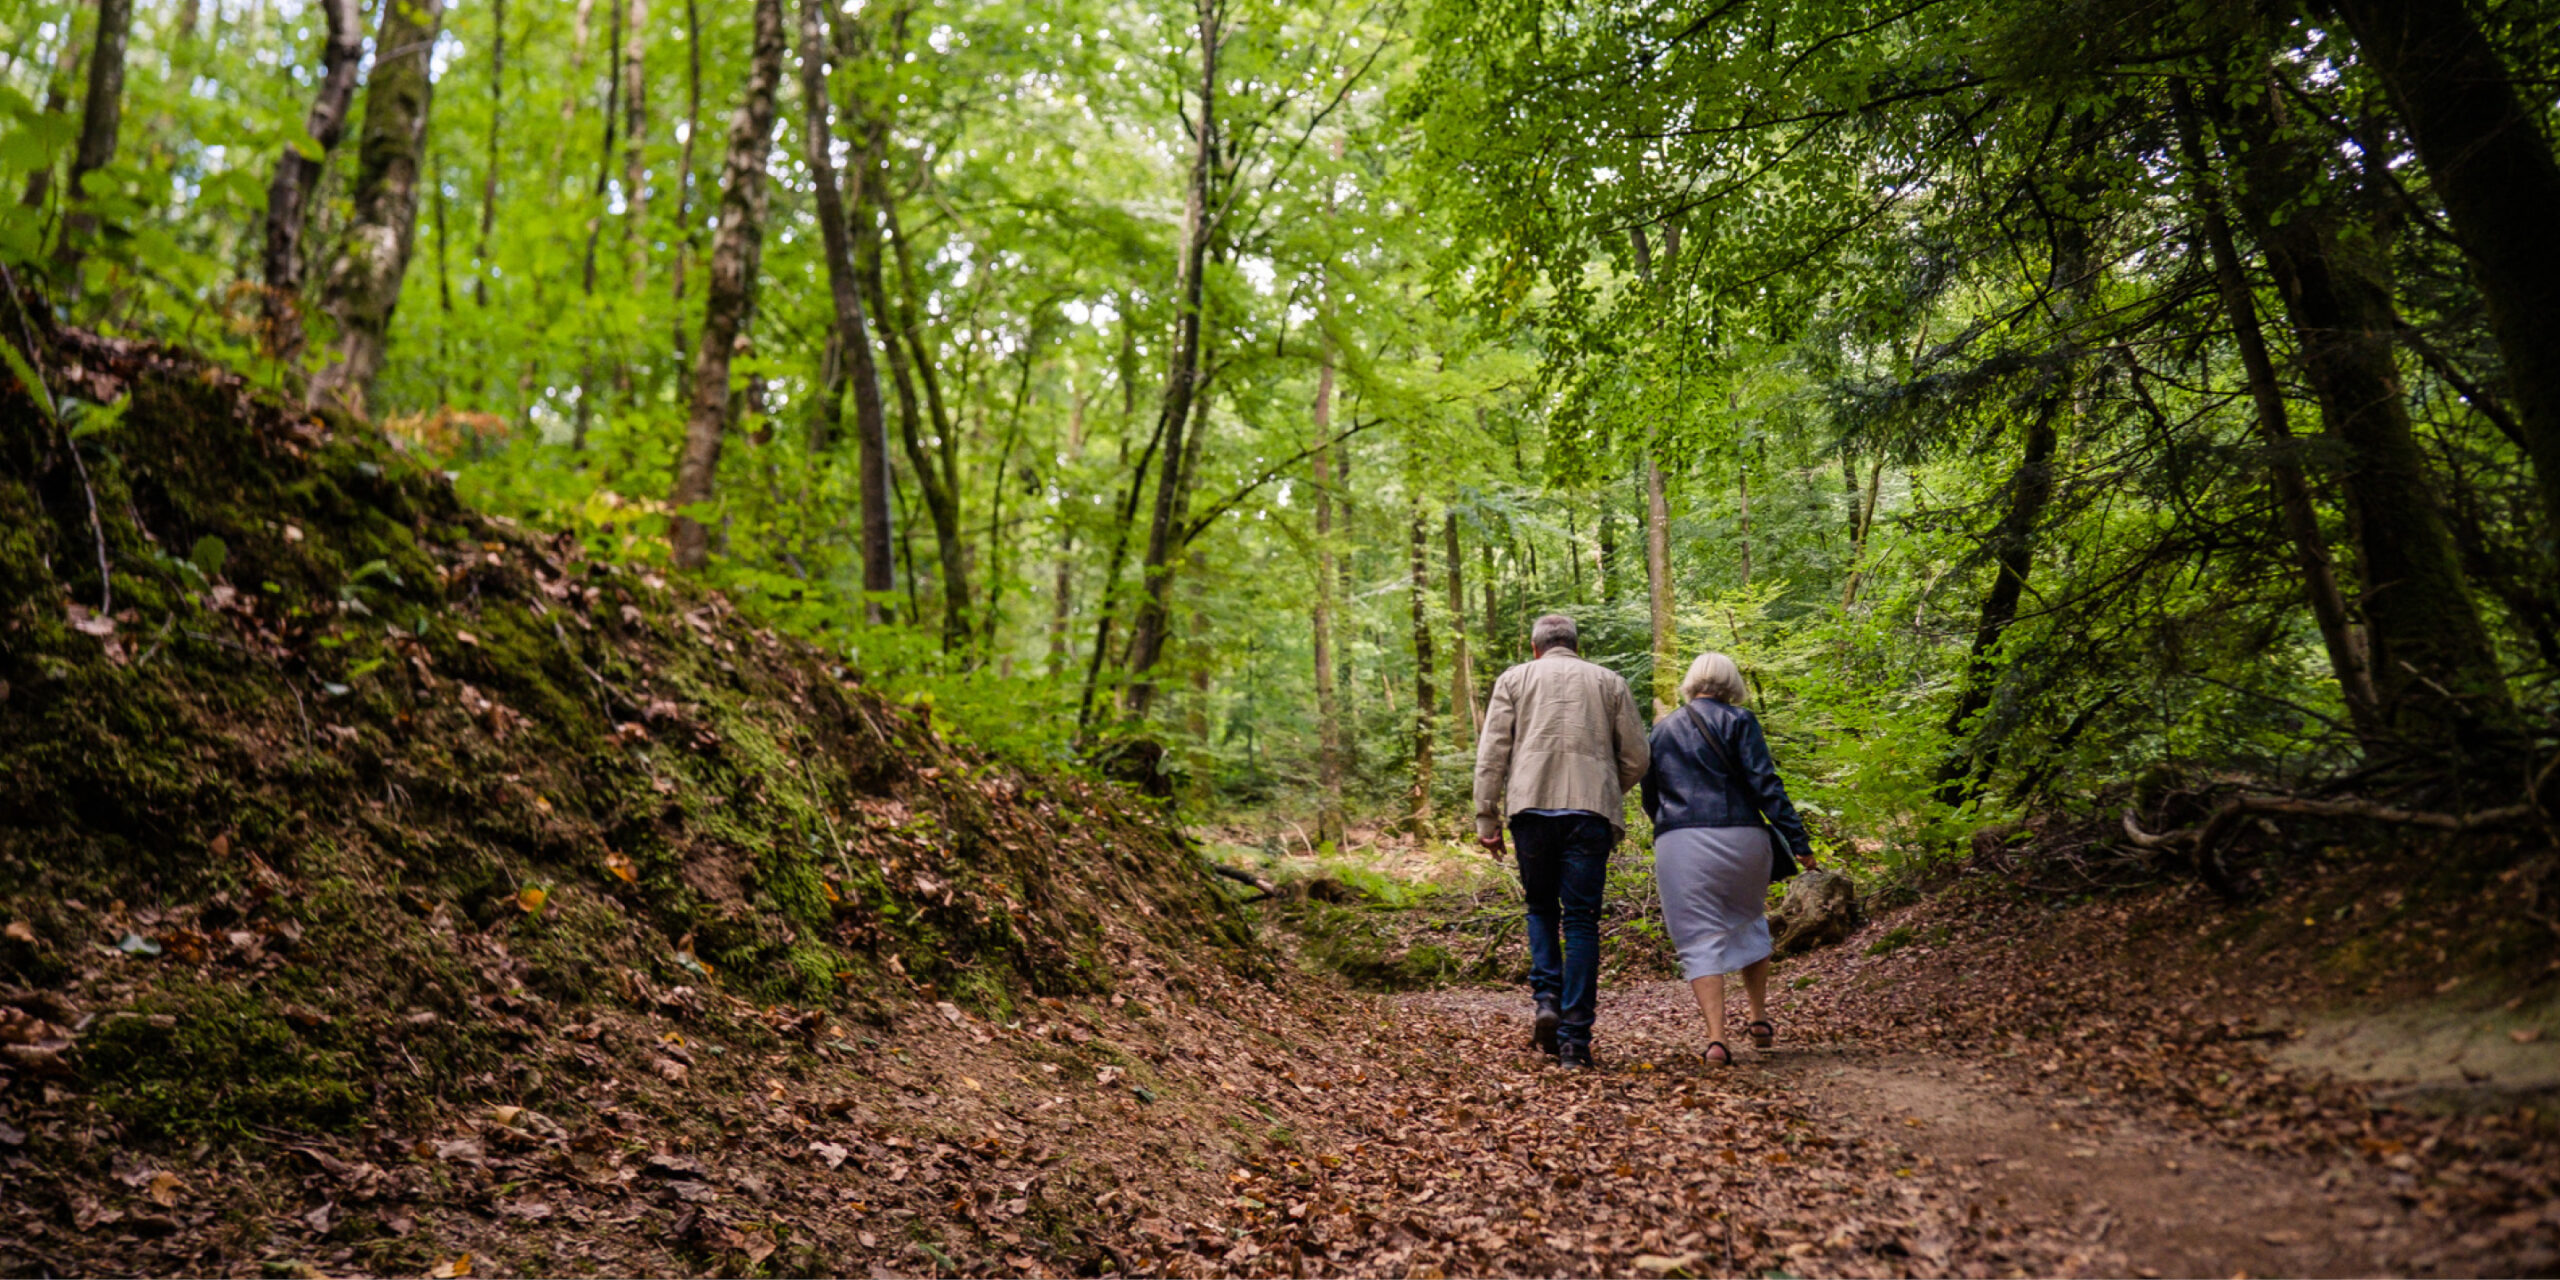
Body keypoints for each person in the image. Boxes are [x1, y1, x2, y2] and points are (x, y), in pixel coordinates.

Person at [1471, 613, 1650, 1069]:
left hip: (1531, 808)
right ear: (1575, 644)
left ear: (1536, 647)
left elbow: (1492, 752)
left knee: (1540, 908)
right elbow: (1637, 756)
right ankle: (1575, 1041)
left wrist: (1485, 817)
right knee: (1582, 921)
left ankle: (1547, 997)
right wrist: (1605, 787)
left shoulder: (1514, 680)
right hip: (1590, 812)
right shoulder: (1610, 682)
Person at [1641, 651, 1818, 1066]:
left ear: (1690, 682)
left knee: (1697, 934)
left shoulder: (1662, 731)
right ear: (1731, 683)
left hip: (1681, 840)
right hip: (1743, 836)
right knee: (1748, 918)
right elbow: (1765, 784)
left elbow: (1651, 795)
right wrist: (1799, 841)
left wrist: (1670, 826)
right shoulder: (1741, 721)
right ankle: (1759, 1018)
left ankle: (1717, 1040)